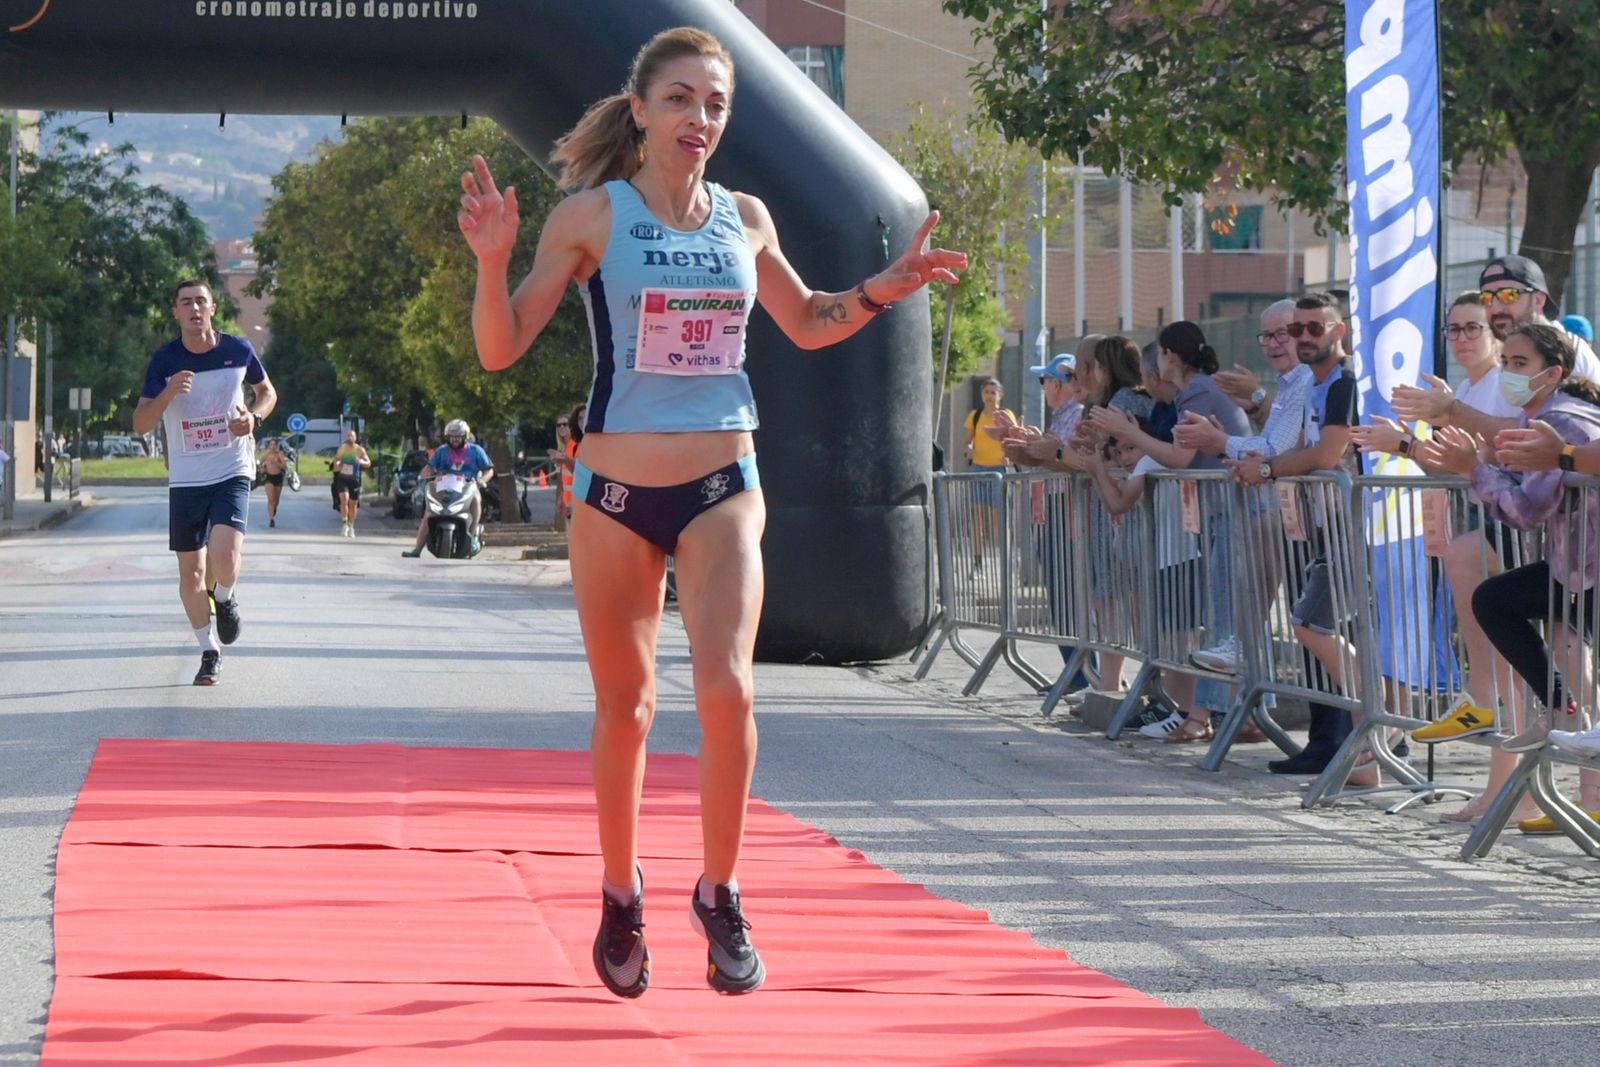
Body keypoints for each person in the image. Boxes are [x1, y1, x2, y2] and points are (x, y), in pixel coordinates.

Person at [457, 26, 965, 998]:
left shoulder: (747, 217)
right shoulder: (588, 219)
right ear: (640, 109)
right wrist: (490, 261)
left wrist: (878, 291)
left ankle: (721, 890)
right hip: (612, 494)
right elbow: (499, 347)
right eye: (682, 98)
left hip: (725, 483)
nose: (701, 117)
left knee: (728, 686)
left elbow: (809, 321)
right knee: (629, 705)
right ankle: (619, 891)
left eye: (717, 103)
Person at [1419, 323, 1600, 825]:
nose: (1508, 374)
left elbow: (1526, 511)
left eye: (1519, 364)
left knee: (1495, 602)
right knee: (1562, 651)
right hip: (1575, 566)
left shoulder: (1562, 421)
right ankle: (1584, 796)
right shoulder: (1550, 418)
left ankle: (1560, 719)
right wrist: (1471, 465)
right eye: (1506, 363)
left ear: (1554, 373)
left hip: (1584, 570)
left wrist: (1473, 470)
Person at [132, 279, 277, 686]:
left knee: (225, 557)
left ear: (213, 308)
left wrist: (254, 418)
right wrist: (167, 394)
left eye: (201, 301)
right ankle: (208, 650)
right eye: (186, 303)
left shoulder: (237, 350)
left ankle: (226, 598)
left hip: (231, 467)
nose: (194, 308)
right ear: (175, 312)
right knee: (192, 575)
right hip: (186, 478)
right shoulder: (165, 361)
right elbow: (141, 423)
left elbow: (266, 392)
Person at [401, 418, 495, 557]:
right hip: (444, 486)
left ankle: (473, 535)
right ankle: (417, 550)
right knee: (429, 513)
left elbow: (489, 470)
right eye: (452, 437)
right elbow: (430, 468)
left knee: (476, 497)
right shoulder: (441, 451)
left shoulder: (476, 451)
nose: (455, 440)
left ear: (465, 437)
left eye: (458, 437)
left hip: (468, 486)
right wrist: (423, 476)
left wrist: (482, 480)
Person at [963, 377, 1015, 577]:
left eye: (993, 392)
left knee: (997, 519)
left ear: (1000, 395)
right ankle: (977, 564)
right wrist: (968, 449)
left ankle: (1006, 562)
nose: (990, 396)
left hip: (998, 472)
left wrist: (1008, 456)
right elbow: (968, 442)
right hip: (978, 469)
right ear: (981, 395)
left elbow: (1013, 439)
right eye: (986, 392)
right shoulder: (975, 416)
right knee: (977, 518)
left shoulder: (1006, 415)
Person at [329, 429, 372, 537]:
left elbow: (368, 463)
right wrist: (338, 464)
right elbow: (335, 461)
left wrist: (361, 461)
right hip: (342, 478)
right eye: (348, 436)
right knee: (344, 499)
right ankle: (344, 523)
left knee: (353, 504)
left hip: (354, 479)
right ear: (345, 437)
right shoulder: (341, 449)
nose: (350, 438)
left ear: (355, 438)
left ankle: (351, 525)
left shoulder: (359, 450)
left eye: (352, 436)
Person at [548, 413, 576, 533]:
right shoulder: (565, 447)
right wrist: (561, 499)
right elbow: (566, 479)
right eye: (559, 425)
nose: (562, 427)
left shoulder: (576, 445)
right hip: (569, 501)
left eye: (565, 424)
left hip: (576, 501)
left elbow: (578, 471)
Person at [259, 438, 289, 527]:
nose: (272, 447)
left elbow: (284, 466)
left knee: (276, 501)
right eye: (271, 445)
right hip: (269, 478)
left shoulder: (279, 455)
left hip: (278, 477)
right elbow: (260, 464)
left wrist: (277, 463)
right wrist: (262, 469)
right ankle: (271, 519)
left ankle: (274, 508)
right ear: (269, 446)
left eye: (274, 445)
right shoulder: (266, 455)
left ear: (277, 446)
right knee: (270, 500)